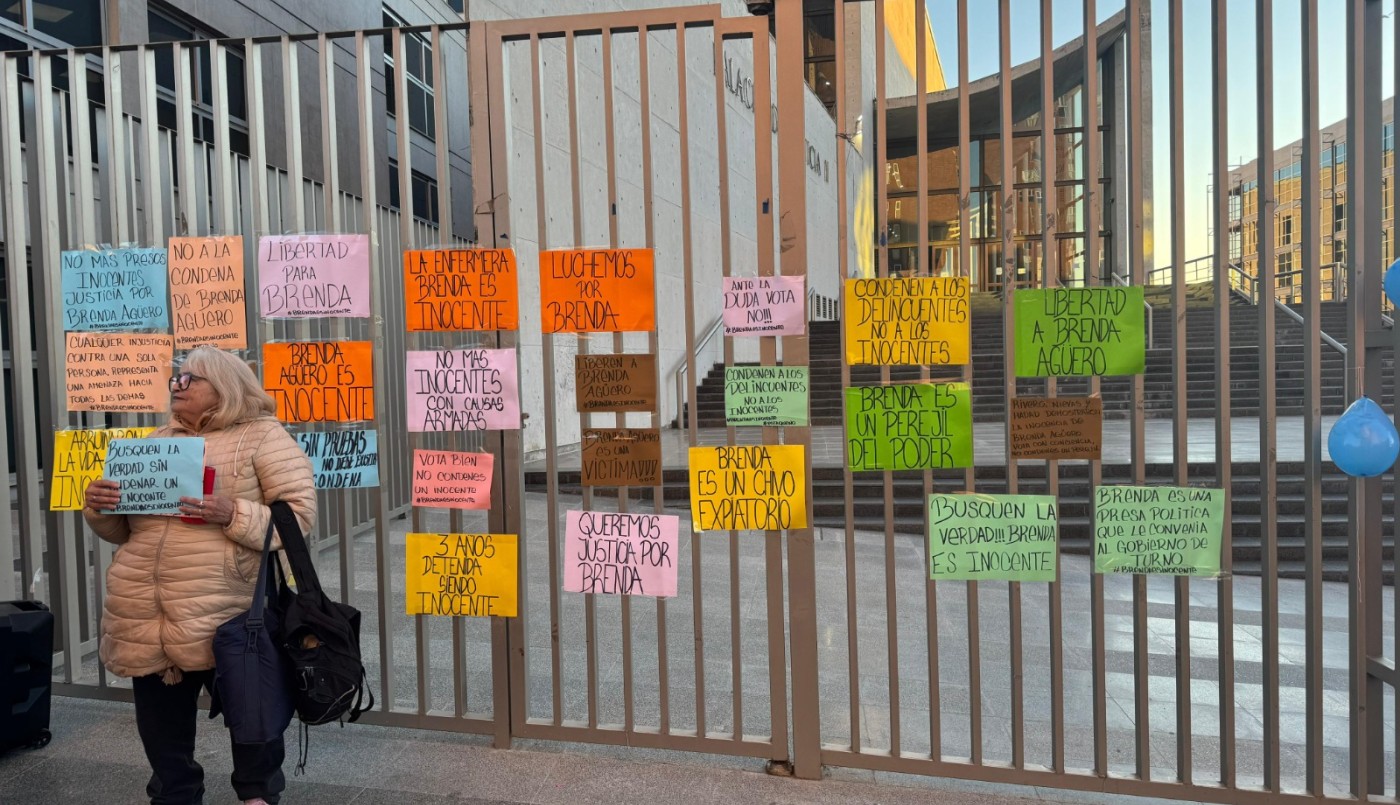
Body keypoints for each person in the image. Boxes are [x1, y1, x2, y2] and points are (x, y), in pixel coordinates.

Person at [83, 346, 317, 805]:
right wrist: (99, 506)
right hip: (148, 611)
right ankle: (175, 794)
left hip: (226, 613)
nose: (176, 387)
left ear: (223, 387)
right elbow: (124, 529)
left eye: (188, 380)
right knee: (160, 727)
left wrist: (233, 513)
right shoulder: (156, 439)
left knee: (253, 715)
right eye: (176, 379)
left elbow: (298, 517)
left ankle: (257, 795)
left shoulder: (261, 436)